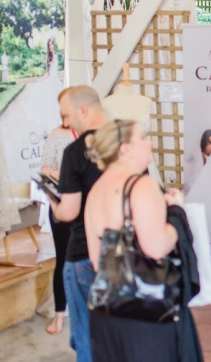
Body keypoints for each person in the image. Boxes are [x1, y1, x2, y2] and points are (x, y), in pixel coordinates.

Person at [84, 120, 202, 362]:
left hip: (108, 313)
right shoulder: (142, 185)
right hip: (147, 313)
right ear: (125, 148)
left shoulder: (95, 190)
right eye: (143, 137)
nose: (150, 142)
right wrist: (177, 213)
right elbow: (156, 247)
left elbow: (98, 263)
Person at [48, 86, 107, 362]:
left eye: (67, 115)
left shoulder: (75, 151)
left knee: (87, 340)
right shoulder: (130, 142)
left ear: (83, 110)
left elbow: (69, 212)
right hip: (124, 253)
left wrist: (52, 201)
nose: (66, 122)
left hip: (84, 253)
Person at [39, 88, 76, 335]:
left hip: (88, 206)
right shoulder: (58, 134)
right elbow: (45, 169)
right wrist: (66, 177)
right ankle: (59, 316)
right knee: (62, 258)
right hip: (61, 203)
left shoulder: (94, 135)